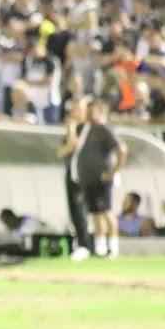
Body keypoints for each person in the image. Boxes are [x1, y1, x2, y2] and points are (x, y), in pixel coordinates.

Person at [70, 100, 127, 258]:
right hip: (89, 179)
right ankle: (100, 248)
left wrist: (113, 172)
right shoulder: (86, 129)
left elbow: (122, 149)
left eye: (92, 111)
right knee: (96, 214)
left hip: (102, 179)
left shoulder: (103, 129)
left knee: (107, 212)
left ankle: (113, 248)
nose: (88, 114)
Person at [56, 95, 92, 260]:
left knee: (81, 209)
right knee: (74, 210)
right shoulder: (71, 129)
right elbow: (61, 152)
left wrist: (71, 128)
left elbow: (73, 145)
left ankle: (85, 245)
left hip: (83, 175)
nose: (73, 112)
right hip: (71, 173)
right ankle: (80, 242)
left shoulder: (86, 128)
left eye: (77, 109)